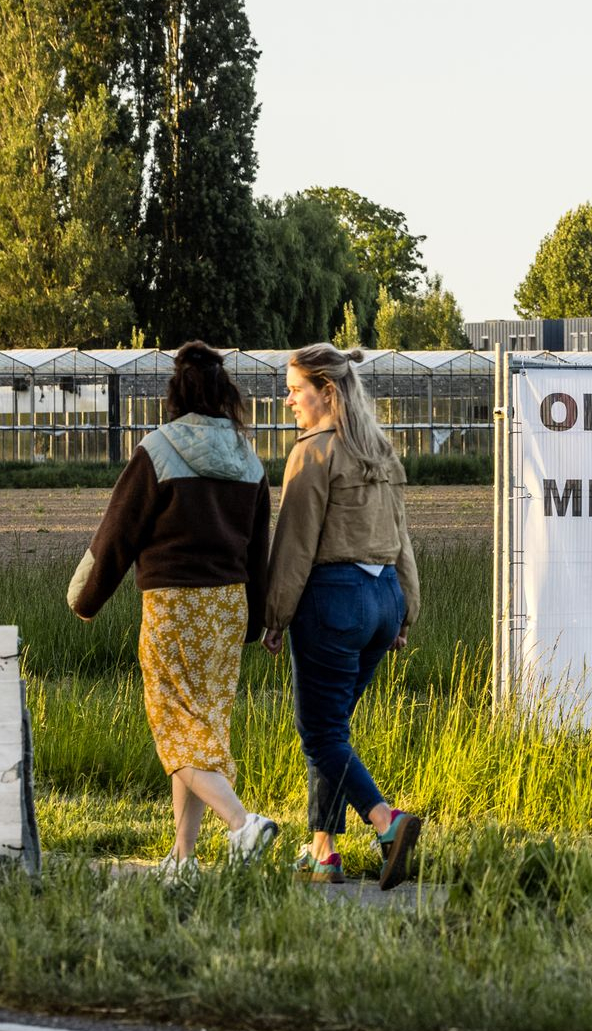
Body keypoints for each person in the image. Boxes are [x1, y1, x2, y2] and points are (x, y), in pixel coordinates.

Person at [68, 340, 279, 871]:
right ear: (225, 392)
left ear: (175, 392)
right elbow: (258, 549)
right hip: (227, 609)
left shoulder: (157, 450)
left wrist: (85, 598)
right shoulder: (248, 458)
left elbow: (117, 535)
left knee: (172, 729)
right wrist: (257, 620)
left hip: (173, 606)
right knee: (202, 727)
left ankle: (243, 824)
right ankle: (182, 858)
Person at [261, 343, 423, 888]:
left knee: (320, 733)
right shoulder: (380, 451)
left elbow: (295, 544)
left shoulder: (314, 452)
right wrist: (406, 611)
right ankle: (322, 851)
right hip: (383, 599)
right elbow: (402, 539)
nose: (288, 401)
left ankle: (386, 821)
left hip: (334, 601)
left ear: (326, 391)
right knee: (333, 730)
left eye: (295, 391)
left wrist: (276, 614)